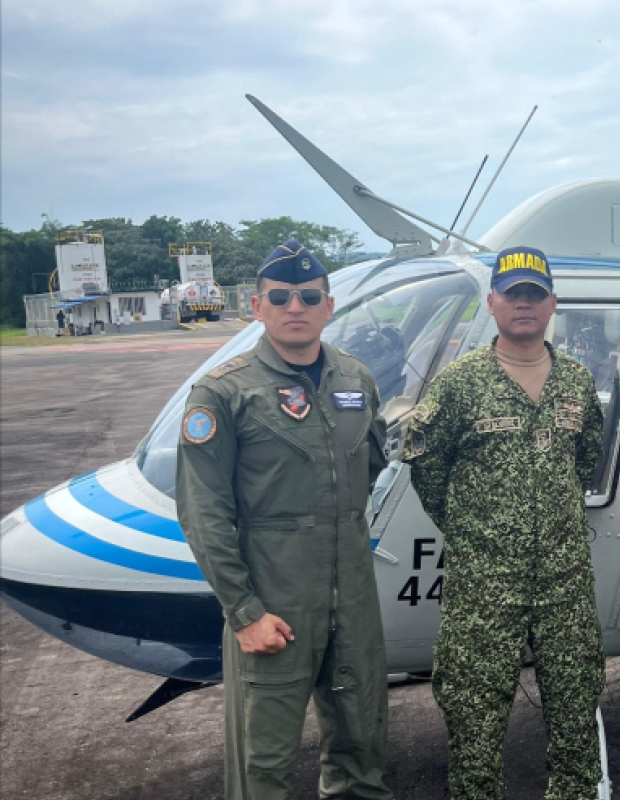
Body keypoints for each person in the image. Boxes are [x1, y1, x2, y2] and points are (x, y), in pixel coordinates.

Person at [176, 239, 392, 800]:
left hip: (353, 601)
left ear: (328, 306)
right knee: (263, 762)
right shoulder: (223, 392)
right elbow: (204, 513)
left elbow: (367, 471)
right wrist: (245, 613)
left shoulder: (355, 380)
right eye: (280, 296)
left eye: (308, 296)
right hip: (274, 602)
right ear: (258, 306)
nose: (294, 306)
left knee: (362, 748)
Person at [401, 246, 606, 800]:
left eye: (535, 296)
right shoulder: (459, 384)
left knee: (575, 710)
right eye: (513, 295)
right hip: (485, 585)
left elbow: (585, 459)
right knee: (474, 717)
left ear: (552, 305)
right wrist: (473, 530)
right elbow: (427, 467)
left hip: (565, 581)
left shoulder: (577, 382)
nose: (524, 305)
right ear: (492, 303)